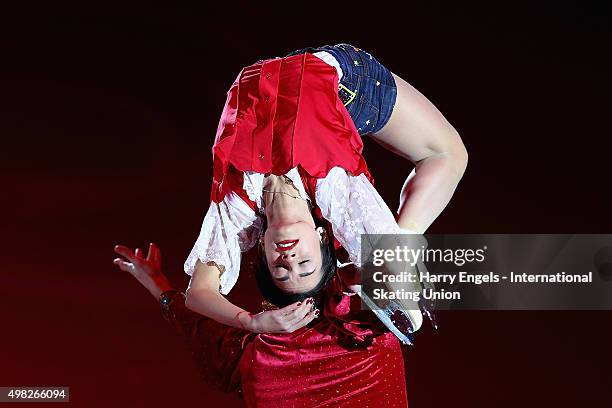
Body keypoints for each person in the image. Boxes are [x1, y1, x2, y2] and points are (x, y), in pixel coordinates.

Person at [113, 43, 467, 407]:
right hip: (346, 82)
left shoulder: (237, 208)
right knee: (448, 156)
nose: (290, 257)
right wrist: (361, 277)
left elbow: (198, 298)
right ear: (321, 235)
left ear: (261, 247)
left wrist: (249, 321)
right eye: (305, 264)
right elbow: (402, 301)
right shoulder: (337, 196)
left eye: (282, 268)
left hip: (262, 78)